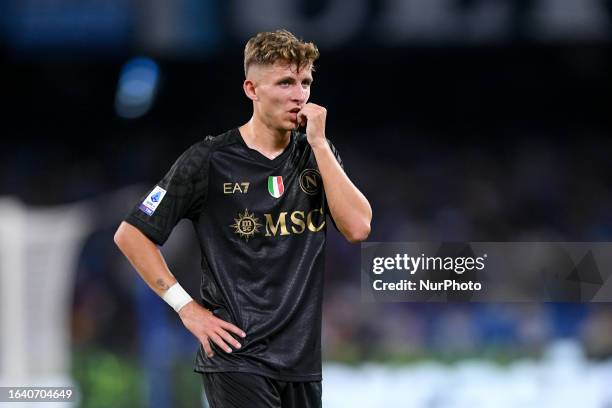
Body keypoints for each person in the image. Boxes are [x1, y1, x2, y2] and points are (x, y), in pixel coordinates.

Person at [114, 29, 372, 407]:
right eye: (285, 82)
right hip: (237, 358)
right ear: (252, 89)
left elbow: (358, 228)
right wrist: (187, 308)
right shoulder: (208, 160)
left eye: (305, 82)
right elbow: (131, 235)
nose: (299, 95)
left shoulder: (317, 153)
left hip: (301, 363)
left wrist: (319, 144)